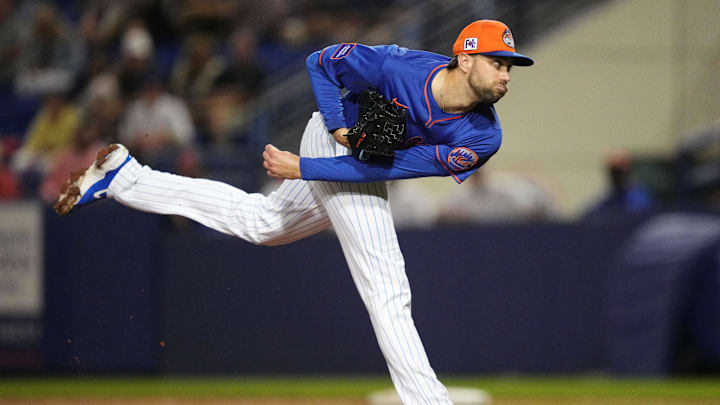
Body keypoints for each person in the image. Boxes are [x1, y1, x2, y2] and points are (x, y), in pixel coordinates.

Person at [54, 20, 534, 404]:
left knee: (262, 223)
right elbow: (319, 62)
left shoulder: (482, 137)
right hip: (331, 138)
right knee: (387, 284)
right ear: (466, 58)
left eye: (511, 67)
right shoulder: (396, 66)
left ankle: (127, 177)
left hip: (361, 166)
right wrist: (335, 132)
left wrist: (305, 169)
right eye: (499, 63)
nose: (507, 76)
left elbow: (390, 169)